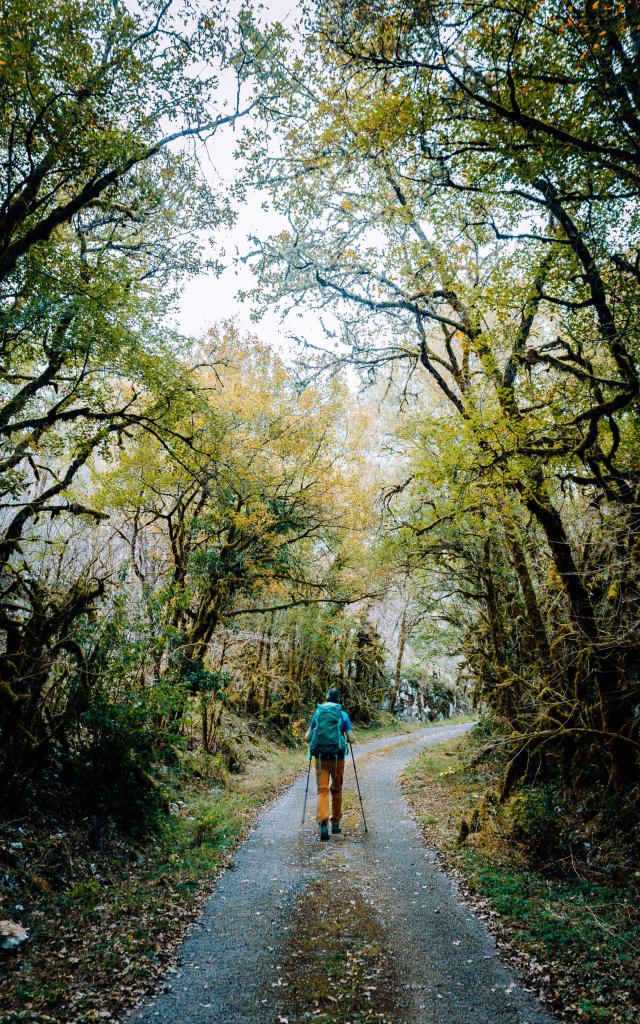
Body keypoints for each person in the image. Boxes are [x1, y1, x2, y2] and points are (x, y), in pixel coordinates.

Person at [305, 687, 354, 841]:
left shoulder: (318, 713)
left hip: (320, 759)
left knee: (322, 790)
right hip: (337, 759)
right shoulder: (342, 714)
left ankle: (323, 820)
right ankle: (336, 824)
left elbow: (308, 737)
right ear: (338, 700)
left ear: (326, 699)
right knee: (337, 789)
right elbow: (351, 739)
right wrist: (346, 734)